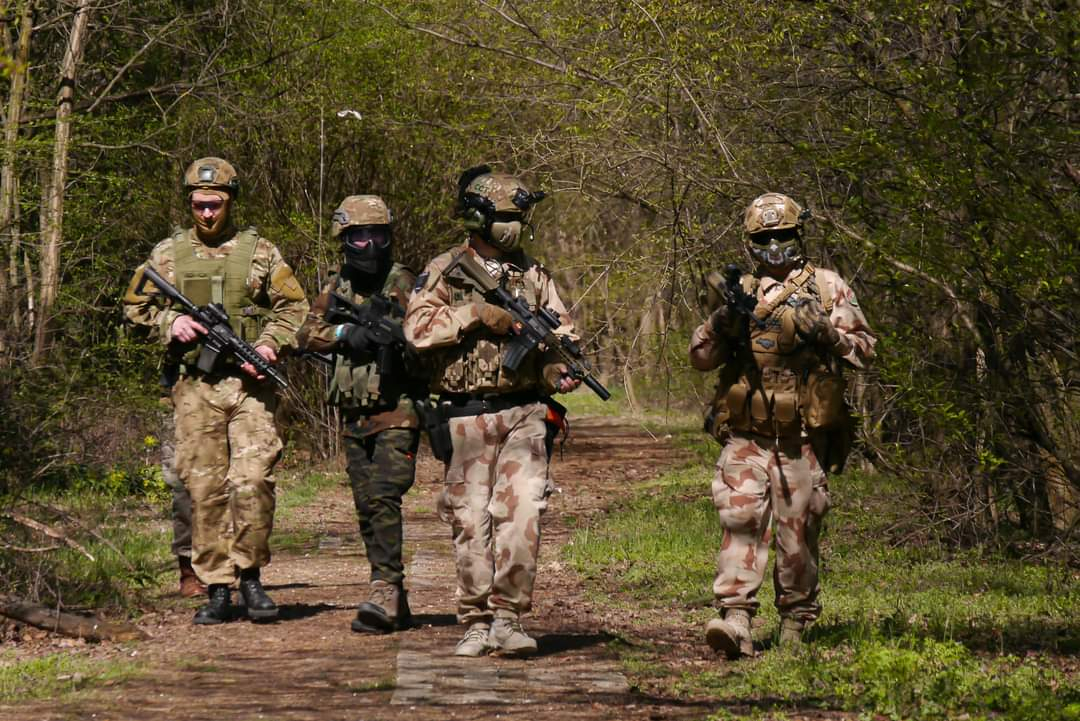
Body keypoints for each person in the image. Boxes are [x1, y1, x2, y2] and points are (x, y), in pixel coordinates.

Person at [690, 192, 876, 658]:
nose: (775, 247)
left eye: (784, 236)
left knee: (799, 536)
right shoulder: (739, 292)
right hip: (747, 437)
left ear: (799, 234)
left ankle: (795, 621)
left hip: (802, 439)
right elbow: (701, 357)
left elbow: (865, 350)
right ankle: (735, 617)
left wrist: (829, 334)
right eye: (764, 239)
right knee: (741, 522)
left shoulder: (827, 287)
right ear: (750, 243)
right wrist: (723, 322)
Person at [404, 166, 580, 658]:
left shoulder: (534, 275)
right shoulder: (446, 269)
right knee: (470, 521)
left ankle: (508, 617)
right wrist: (475, 314)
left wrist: (555, 369)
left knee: (523, 510)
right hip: (466, 416)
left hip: (524, 412)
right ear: (480, 218)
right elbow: (416, 331)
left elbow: (562, 336)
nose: (515, 227)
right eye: (507, 217)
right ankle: (476, 621)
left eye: (519, 218)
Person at [123, 157, 308, 625]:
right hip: (194, 387)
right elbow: (134, 307)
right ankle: (218, 587)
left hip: (249, 386)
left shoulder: (260, 252)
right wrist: (171, 322)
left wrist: (267, 345)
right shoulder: (167, 254)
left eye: (215, 205)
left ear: (230, 202)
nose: (207, 213)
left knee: (253, 480)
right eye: (199, 205)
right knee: (204, 487)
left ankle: (251, 576)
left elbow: (294, 307)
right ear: (190, 203)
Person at [296, 195, 423, 634]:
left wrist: (398, 337)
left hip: (398, 407)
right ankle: (392, 593)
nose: (370, 246)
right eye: (360, 238)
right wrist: (345, 333)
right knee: (366, 505)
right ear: (344, 240)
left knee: (385, 494)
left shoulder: (404, 282)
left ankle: (384, 588)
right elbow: (305, 334)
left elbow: (430, 332)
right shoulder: (337, 286)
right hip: (354, 412)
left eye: (378, 236)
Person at [158, 370, 204, 598]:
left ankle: (228, 568)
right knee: (184, 487)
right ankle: (188, 572)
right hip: (179, 388)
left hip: (228, 390)